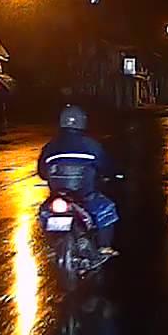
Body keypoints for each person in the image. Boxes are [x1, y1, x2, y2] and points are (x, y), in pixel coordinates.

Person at [38, 105, 119, 254]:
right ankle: (104, 247)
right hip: (85, 196)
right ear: (83, 122)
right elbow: (105, 167)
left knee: (44, 212)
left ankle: (51, 246)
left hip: (58, 197)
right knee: (107, 209)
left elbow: (42, 172)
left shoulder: (50, 146)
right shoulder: (92, 145)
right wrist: (113, 174)